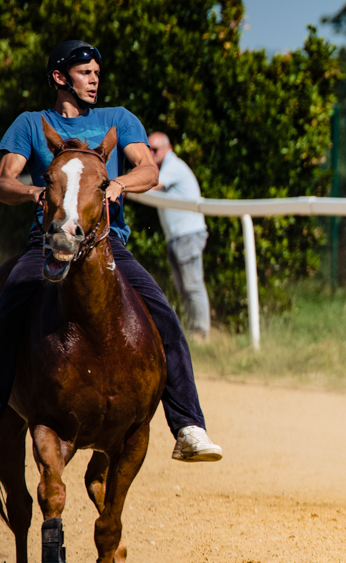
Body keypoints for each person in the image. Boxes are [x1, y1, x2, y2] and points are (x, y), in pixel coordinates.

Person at [0, 40, 222, 460]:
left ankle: (188, 425)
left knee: (165, 318)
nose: (95, 79)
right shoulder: (30, 124)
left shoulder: (118, 119)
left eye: (97, 73)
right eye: (86, 73)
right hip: (46, 243)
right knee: (7, 307)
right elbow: (3, 180)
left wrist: (119, 184)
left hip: (108, 245)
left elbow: (148, 168)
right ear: (60, 78)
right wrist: (34, 193)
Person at [147, 132, 210, 339]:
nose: (151, 153)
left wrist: (121, 185)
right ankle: (193, 332)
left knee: (192, 285)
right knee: (183, 288)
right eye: (148, 149)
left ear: (168, 149)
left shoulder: (172, 165)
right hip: (176, 237)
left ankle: (201, 333)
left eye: (155, 149)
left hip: (188, 235)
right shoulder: (162, 168)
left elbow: (151, 185)